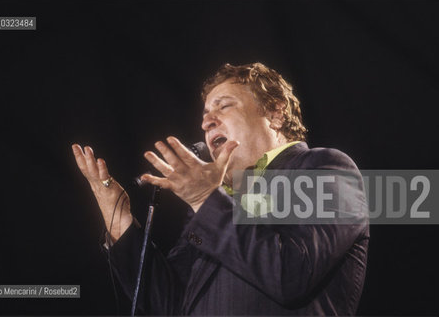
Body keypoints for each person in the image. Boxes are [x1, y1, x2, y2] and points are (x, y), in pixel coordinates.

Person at [71, 63, 369, 315]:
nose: (206, 122)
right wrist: (121, 221)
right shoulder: (216, 205)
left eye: (224, 106)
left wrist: (204, 198)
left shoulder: (325, 167)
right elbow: (168, 306)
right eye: (204, 117)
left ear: (276, 114)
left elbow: (290, 274)